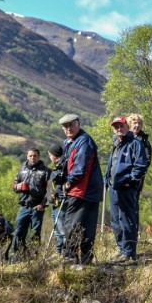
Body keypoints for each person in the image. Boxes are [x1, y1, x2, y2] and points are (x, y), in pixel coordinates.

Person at [59, 114, 104, 265]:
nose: (68, 128)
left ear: (78, 124)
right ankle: (86, 259)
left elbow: (80, 167)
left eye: (71, 125)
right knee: (87, 226)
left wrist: (68, 182)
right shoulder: (70, 141)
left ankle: (70, 257)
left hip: (81, 189)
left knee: (72, 224)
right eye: (65, 126)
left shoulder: (83, 141)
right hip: (91, 190)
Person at [106, 116, 148, 262]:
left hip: (126, 188)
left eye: (121, 126)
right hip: (113, 188)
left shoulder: (135, 144)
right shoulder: (117, 144)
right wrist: (107, 181)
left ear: (127, 127)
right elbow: (111, 165)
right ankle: (121, 249)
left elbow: (141, 166)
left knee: (127, 219)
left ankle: (129, 252)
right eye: (116, 127)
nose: (119, 129)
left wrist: (130, 181)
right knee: (115, 221)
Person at [10, 148, 50, 259]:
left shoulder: (46, 171)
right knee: (18, 231)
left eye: (35, 155)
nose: (33, 158)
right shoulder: (22, 169)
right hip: (24, 206)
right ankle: (16, 255)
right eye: (31, 156)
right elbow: (14, 185)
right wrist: (17, 187)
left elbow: (50, 191)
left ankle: (33, 257)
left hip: (37, 207)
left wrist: (43, 205)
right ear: (27, 156)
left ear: (39, 156)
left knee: (34, 233)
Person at [47, 144, 66, 255]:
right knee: (57, 230)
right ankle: (58, 252)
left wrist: (57, 192)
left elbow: (62, 182)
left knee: (62, 230)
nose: (49, 157)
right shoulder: (56, 167)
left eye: (50, 155)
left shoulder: (62, 166)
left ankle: (64, 252)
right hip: (55, 203)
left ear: (54, 155)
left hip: (60, 202)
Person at [126, 113, 152, 179]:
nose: (137, 125)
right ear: (129, 124)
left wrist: (133, 177)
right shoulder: (122, 139)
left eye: (139, 123)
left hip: (133, 179)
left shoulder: (144, 142)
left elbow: (146, 161)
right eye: (135, 123)